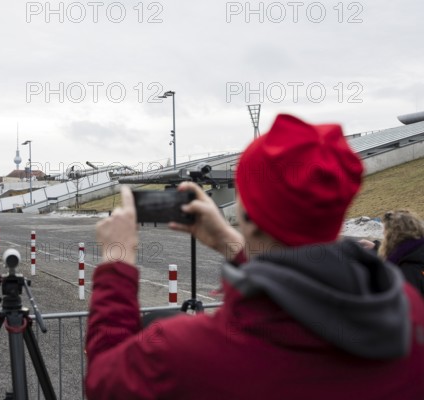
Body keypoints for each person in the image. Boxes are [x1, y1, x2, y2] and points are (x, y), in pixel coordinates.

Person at [85, 114, 424, 399]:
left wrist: (117, 263)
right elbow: (299, 294)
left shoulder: (191, 351)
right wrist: (230, 243)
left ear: (246, 212)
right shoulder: (406, 310)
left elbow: (103, 380)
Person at [378, 210, 424, 295]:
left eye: (385, 234)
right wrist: (375, 247)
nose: (383, 238)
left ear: (392, 237)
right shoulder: (417, 253)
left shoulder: (406, 272)